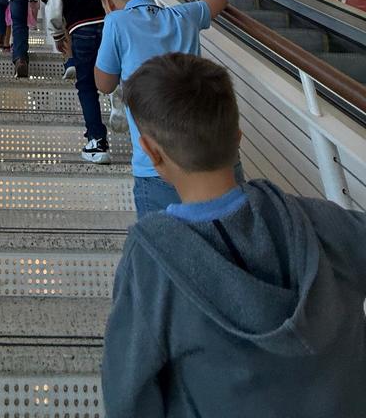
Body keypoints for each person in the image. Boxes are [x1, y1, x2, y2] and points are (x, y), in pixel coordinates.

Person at [102, 52, 366, 418]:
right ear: (238, 137)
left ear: (151, 152)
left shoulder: (150, 261)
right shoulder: (324, 223)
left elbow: (129, 392)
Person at [94, 0, 229, 214]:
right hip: (206, 159)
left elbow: (104, 83)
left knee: (162, 244)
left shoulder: (116, 21)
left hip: (155, 164)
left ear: (107, 1)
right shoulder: (184, 15)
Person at [46, 0, 142, 163]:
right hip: (113, 25)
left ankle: (97, 142)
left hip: (82, 33)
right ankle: (140, 138)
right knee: (125, 72)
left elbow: (53, 12)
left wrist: (58, 36)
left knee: (87, 85)